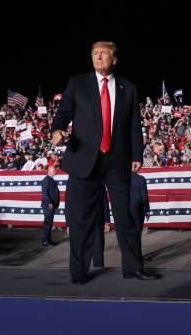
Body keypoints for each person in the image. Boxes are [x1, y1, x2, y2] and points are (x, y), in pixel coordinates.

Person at [51, 40, 159, 284]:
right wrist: (57, 129)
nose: (98, 58)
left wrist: (137, 155)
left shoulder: (127, 88)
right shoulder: (78, 83)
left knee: (127, 216)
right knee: (82, 217)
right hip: (84, 160)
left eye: (104, 54)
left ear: (115, 59)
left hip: (117, 160)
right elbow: (64, 112)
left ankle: (133, 268)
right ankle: (79, 272)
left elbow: (133, 124)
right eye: (95, 54)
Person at [40, 166, 60, 246]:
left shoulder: (52, 180)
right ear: (50, 171)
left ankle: (48, 240)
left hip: (52, 205)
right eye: (54, 170)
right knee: (48, 223)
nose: (56, 171)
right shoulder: (46, 180)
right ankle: (45, 240)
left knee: (50, 223)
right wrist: (49, 203)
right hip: (48, 205)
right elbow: (45, 193)